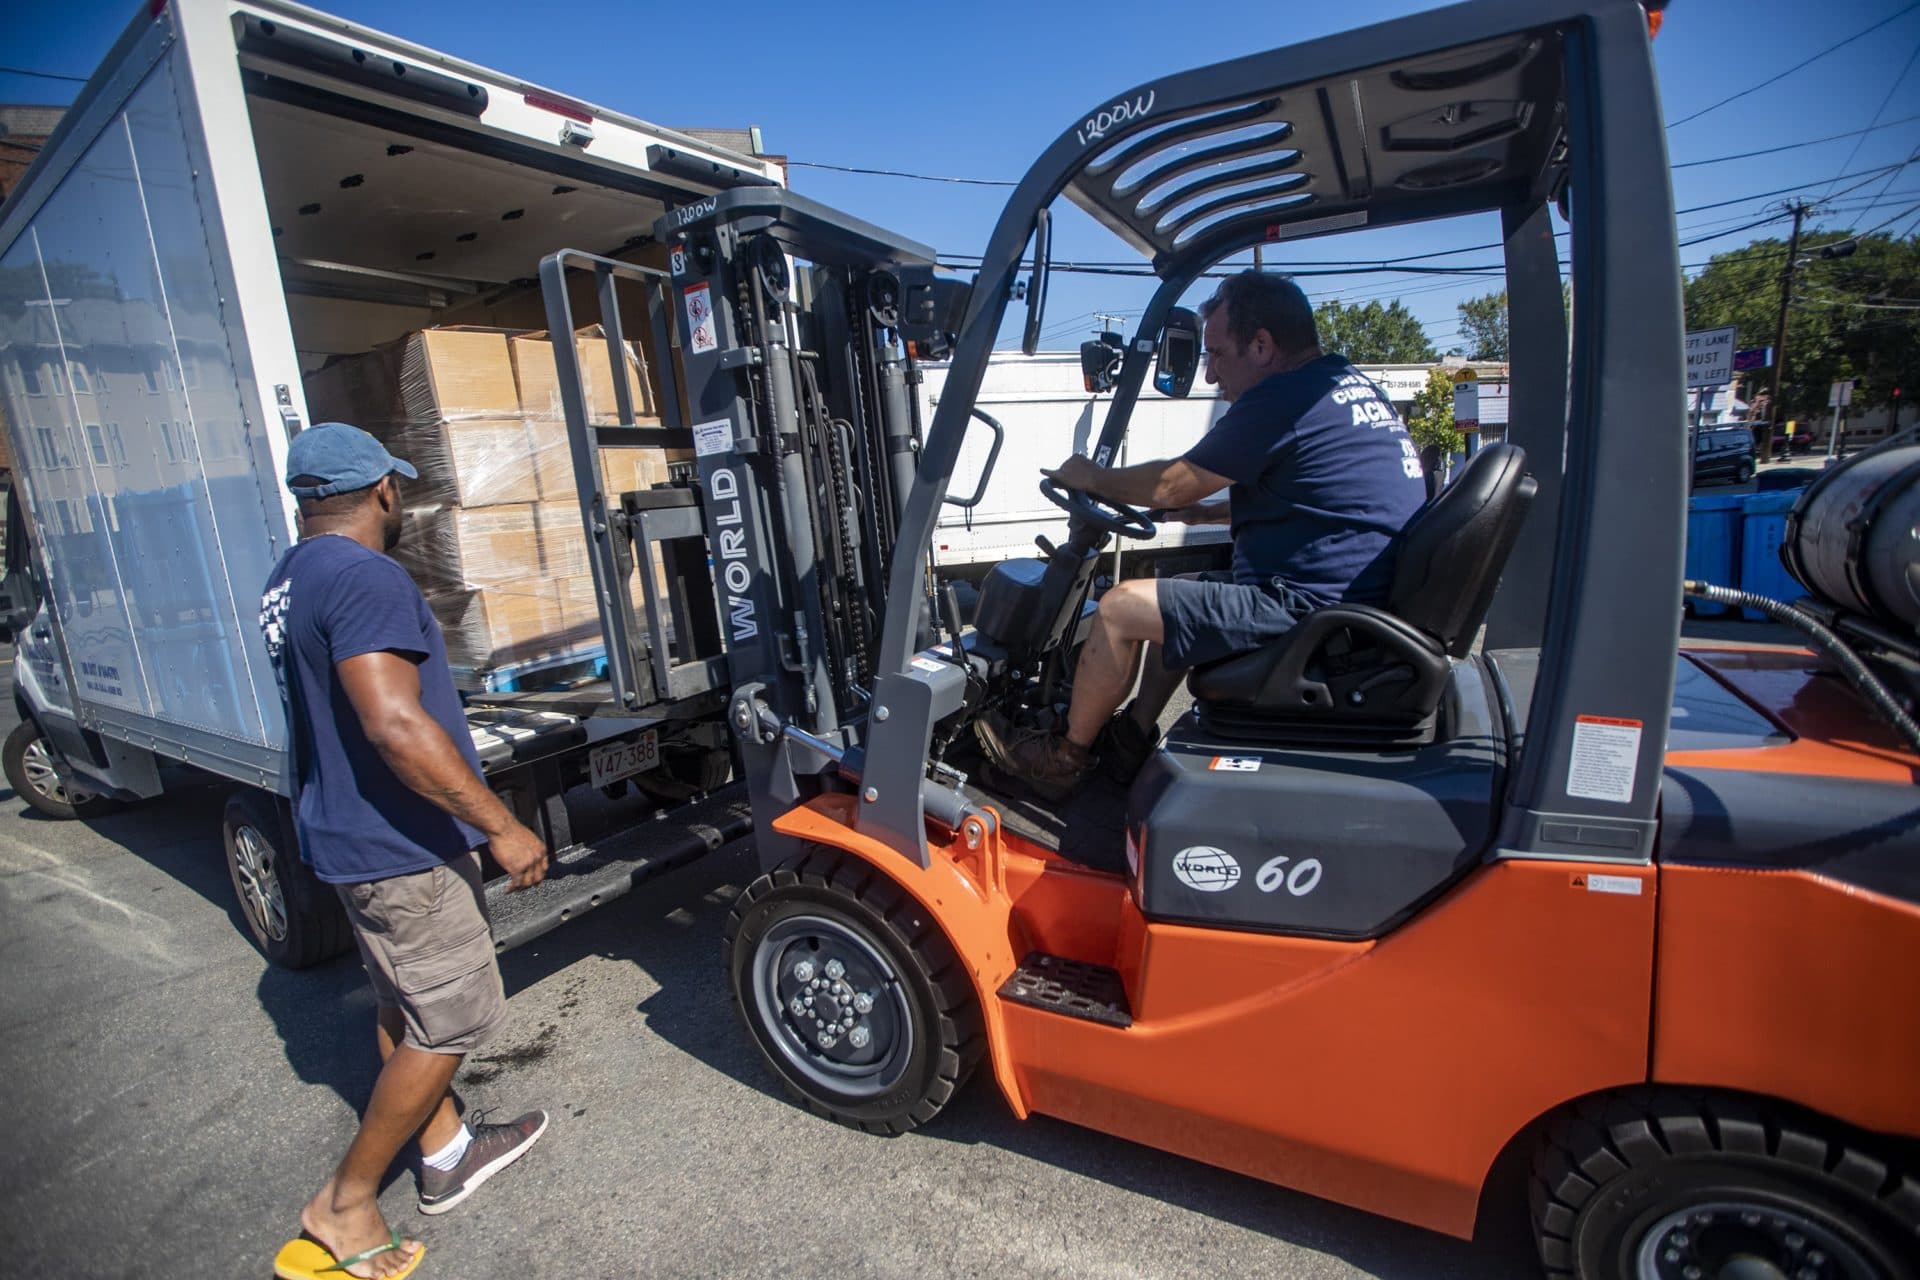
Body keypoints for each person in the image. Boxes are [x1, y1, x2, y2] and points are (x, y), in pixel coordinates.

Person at [260, 423, 551, 1279]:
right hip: (401, 845)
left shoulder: (293, 575)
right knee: (453, 1019)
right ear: (384, 491)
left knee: (402, 1005)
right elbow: (392, 720)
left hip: (349, 837)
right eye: (398, 487)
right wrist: (500, 824)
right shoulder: (365, 576)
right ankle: (344, 1203)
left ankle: (448, 1149)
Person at [976, 271, 1428, 800]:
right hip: (1347, 608)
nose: (1211, 375)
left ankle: (1063, 759)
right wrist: (1202, 513)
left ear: (1261, 346)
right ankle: (1129, 739)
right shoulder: (1340, 385)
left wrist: (1091, 477)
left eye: (1216, 353)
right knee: (1184, 591)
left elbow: (1171, 483)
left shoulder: (1285, 397)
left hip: (1311, 616)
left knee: (1121, 607)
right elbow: (1318, 503)